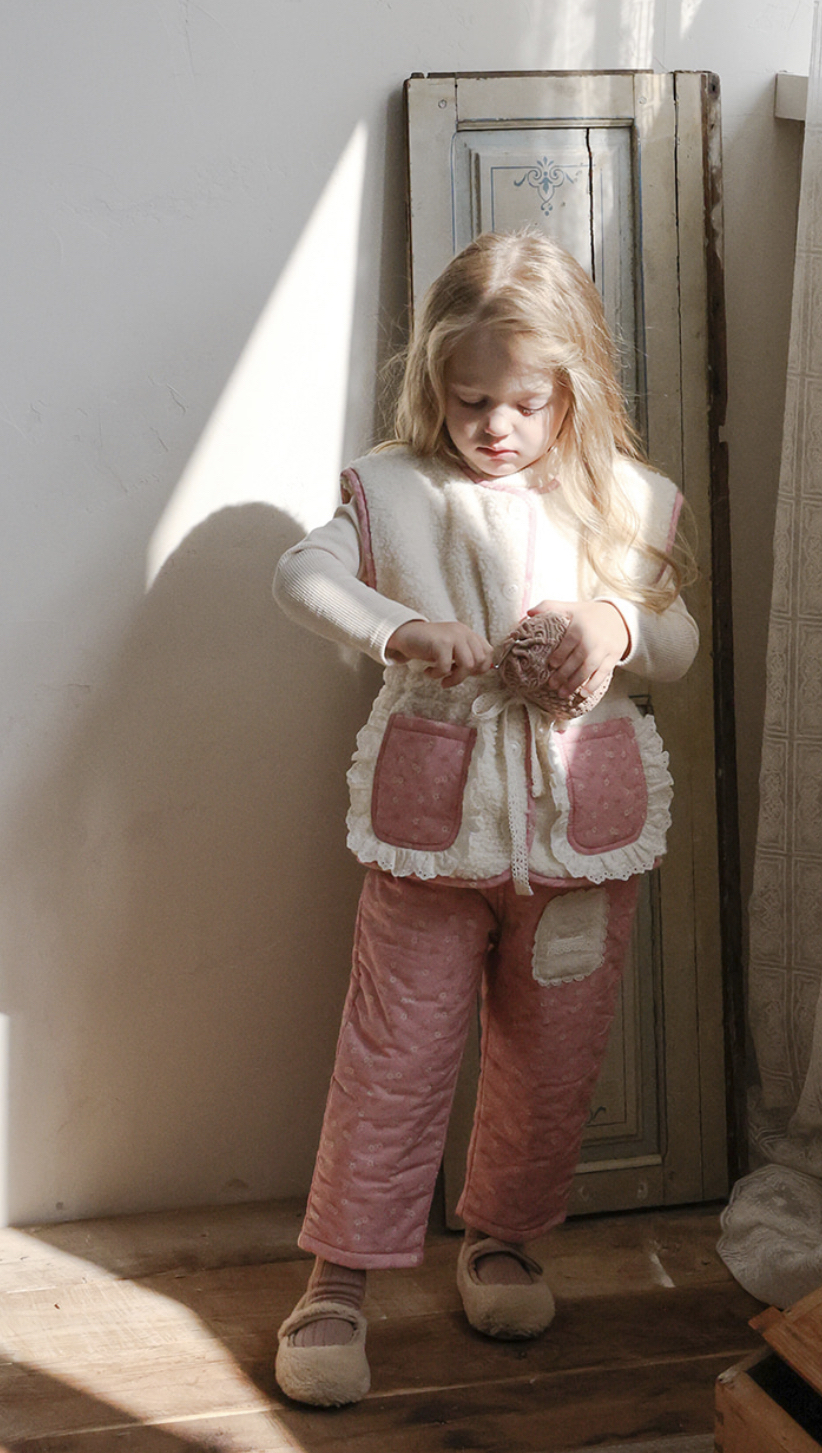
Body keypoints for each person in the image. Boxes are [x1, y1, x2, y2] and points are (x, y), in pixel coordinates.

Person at [271, 229, 699, 1408]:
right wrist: (398, 630)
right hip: (433, 835)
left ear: (575, 387)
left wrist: (610, 627)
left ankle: (502, 1238)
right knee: (392, 1054)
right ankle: (337, 1276)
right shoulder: (394, 490)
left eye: (524, 401)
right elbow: (299, 575)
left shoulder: (622, 498)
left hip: (577, 837)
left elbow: (672, 636)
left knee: (552, 1057)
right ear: (434, 382)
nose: (495, 426)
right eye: (470, 401)